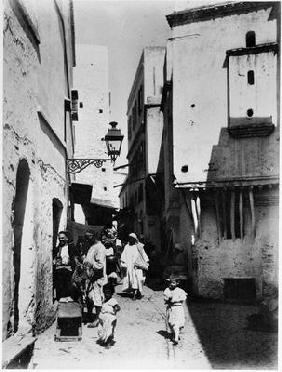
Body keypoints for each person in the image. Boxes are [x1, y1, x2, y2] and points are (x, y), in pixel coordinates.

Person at [84, 231, 108, 327]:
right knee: (89, 296)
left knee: (97, 297)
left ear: (94, 237)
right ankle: (90, 315)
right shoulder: (92, 246)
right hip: (90, 276)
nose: (87, 239)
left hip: (97, 277)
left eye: (88, 237)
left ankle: (97, 319)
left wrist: (90, 265)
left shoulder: (100, 248)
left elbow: (100, 264)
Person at [121, 233, 149, 300]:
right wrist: (124, 263)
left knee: (139, 279)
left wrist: (146, 261)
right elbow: (123, 256)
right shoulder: (126, 246)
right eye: (130, 238)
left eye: (132, 238)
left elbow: (143, 254)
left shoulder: (138, 246)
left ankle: (138, 292)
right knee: (132, 280)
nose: (130, 240)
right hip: (130, 267)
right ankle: (134, 294)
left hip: (138, 266)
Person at [53, 231, 79, 300]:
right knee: (59, 284)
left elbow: (76, 257)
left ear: (67, 238)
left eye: (63, 238)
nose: (61, 239)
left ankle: (68, 297)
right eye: (60, 238)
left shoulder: (71, 247)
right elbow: (54, 257)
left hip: (68, 269)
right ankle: (60, 298)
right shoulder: (57, 248)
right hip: (59, 269)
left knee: (67, 284)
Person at [164, 276, 187, 345]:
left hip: (178, 308)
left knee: (176, 323)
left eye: (173, 283)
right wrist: (168, 300)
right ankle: (175, 335)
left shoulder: (180, 291)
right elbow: (165, 298)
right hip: (170, 308)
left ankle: (176, 338)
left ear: (177, 283)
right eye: (170, 283)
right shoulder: (167, 290)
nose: (171, 284)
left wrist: (176, 300)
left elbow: (183, 298)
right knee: (171, 322)